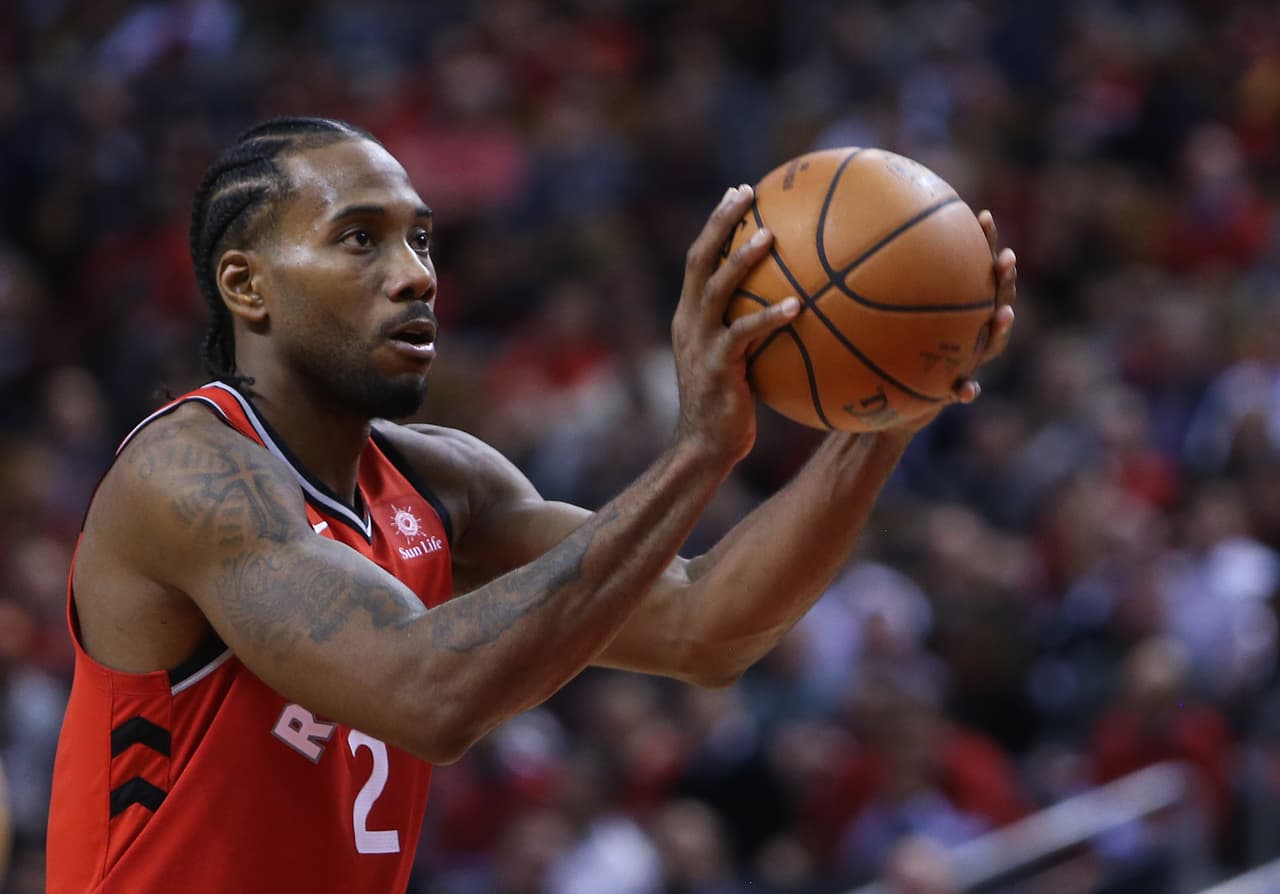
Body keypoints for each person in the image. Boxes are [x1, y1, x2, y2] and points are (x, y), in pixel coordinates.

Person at [46, 117, 1016, 893]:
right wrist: (696, 452)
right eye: (360, 239)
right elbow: (424, 694)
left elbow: (706, 625)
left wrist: (885, 412)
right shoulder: (184, 474)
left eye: (421, 238)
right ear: (244, 286)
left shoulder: (443, 483)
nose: (416, 272)